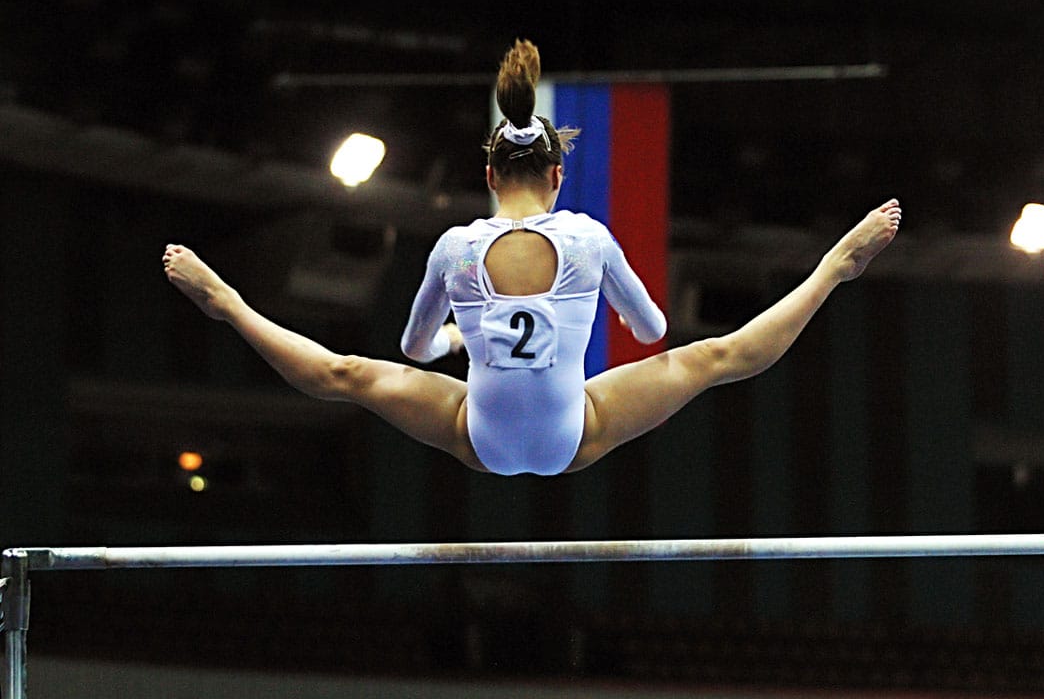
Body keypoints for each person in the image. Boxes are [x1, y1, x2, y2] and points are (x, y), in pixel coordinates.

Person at [163, 39, 901, 477]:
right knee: (713, 358)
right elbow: (650, 333)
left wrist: (461, 334)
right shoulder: (588, 239)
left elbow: (411, 351)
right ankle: (836, 265)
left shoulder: (455, 250)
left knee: (344, 374)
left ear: (488, 176)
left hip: (475, 433)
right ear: (557, 175)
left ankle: (225, 300)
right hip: (572, 431)